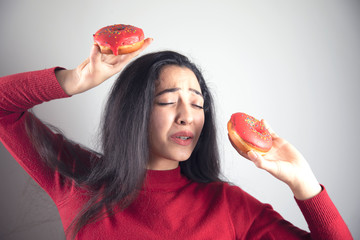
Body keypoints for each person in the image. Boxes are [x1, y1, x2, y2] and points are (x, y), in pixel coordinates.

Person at [0, 38, 353, 240]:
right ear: (133, 110)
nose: (187, 115)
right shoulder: (78, 179)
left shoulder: (229, 205)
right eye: (168, 101)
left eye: (197, 104)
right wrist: (76, 78)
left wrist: (303, 182)